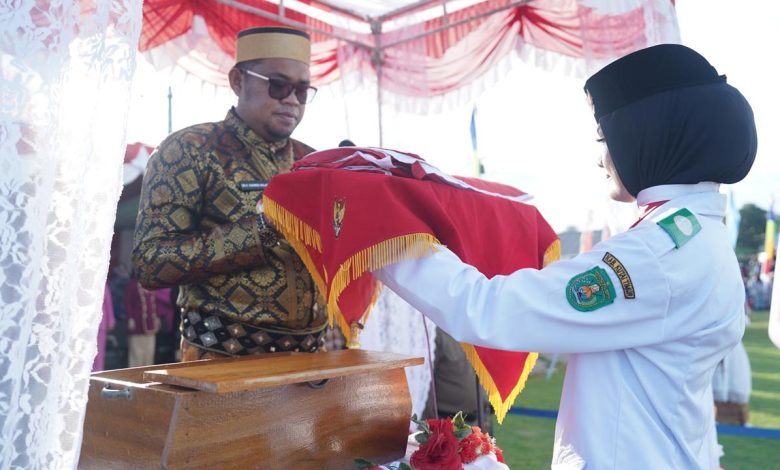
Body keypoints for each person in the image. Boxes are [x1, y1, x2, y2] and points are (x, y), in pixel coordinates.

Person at [375, 44, 757, 468]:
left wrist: (382, 231)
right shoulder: (700, 234)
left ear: (646, 136)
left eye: (605, 138)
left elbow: (489, 309)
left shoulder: (657, 253)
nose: (600, 157)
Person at [132, 26, 327, 361]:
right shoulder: (189, 150)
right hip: (222, 359)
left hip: (311, 362)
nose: (292, 100)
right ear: (238, 81)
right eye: (278, 85)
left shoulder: (313, 161)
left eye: (302, 90)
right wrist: (263, 229)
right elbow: (151, 263)